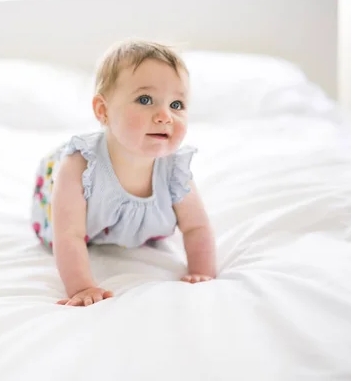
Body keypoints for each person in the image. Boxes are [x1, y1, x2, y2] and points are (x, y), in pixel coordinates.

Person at [30, 40, 217, 306]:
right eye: (145, 99)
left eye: (177, 105)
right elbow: (68, 235)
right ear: (103, 111)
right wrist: (82, 287)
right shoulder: (79, 165)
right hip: (61, 202)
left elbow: (196, 226)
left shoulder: (175, 168)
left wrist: (202, 272)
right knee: (62, 219)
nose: (165, 116)